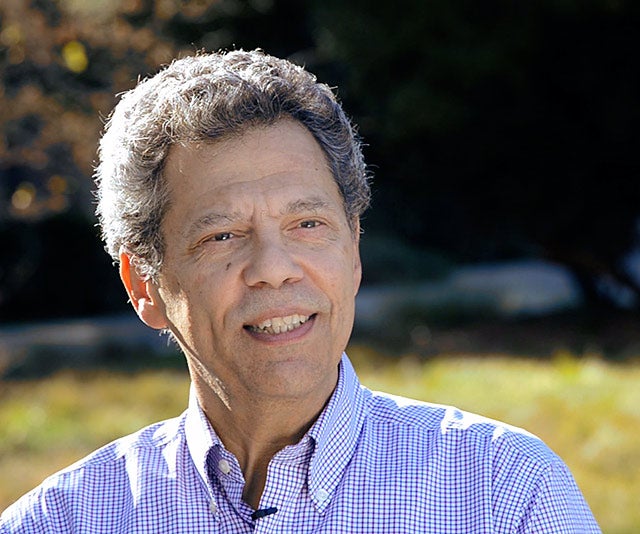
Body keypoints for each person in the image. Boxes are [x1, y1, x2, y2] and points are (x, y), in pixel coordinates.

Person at [0, 49, 600, 533]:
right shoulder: (58, 523)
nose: (275, 268)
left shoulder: (506, 495)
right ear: (145, 286)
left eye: (307, 225)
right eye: (223, 235)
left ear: (354, 249)